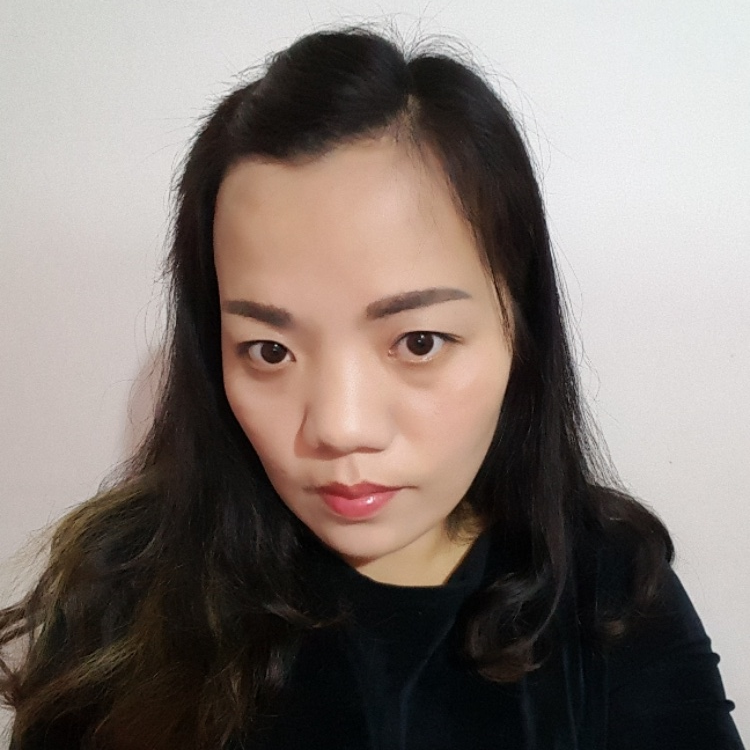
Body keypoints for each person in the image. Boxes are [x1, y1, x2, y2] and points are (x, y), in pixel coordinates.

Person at [0, 26, 743, 750]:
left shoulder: (609, 594)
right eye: (269, 350)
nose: (340, 426)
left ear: (520, 332)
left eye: (419, 342)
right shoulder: (122, 594)